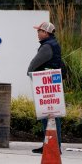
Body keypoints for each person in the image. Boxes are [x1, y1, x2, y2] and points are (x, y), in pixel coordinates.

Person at [27, 22, 62, 154]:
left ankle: (53, 147)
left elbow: (35, 63)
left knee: (48, 116)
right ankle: (50, 145)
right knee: (52, 115)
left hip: (46, 83)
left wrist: (29, 72)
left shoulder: (47, 46)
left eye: (39, 31)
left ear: (46, 33)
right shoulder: (53, 44)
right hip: (51, 83)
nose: (38, 33)